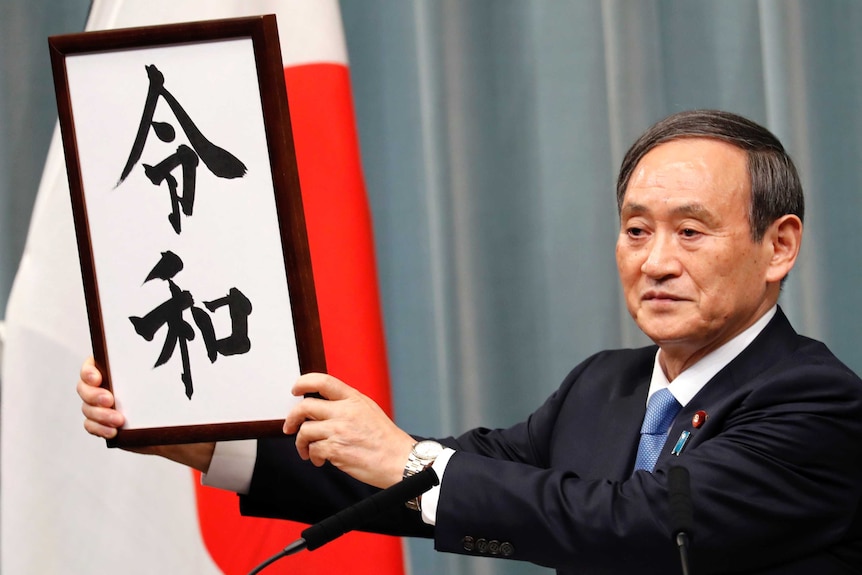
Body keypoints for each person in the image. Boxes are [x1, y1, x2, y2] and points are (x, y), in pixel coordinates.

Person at [78, 109, 862, 574]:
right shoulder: (605, 385)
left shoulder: (817, 400)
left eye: (691, 231)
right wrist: (212, 444)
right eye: (635, 230)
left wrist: (409, 461)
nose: (656, 260)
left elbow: (644, 522)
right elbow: (444, 478)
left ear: (779, 246)